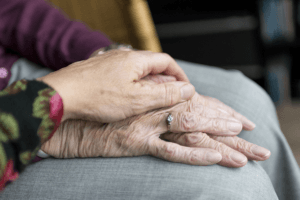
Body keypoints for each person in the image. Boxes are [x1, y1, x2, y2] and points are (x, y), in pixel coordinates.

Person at [0, 0, 299, 199]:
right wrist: (59, 110)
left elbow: (10, 8)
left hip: (19, 69)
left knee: (245, 100)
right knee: (231, 186)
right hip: (10, 142)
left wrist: (104, 58)